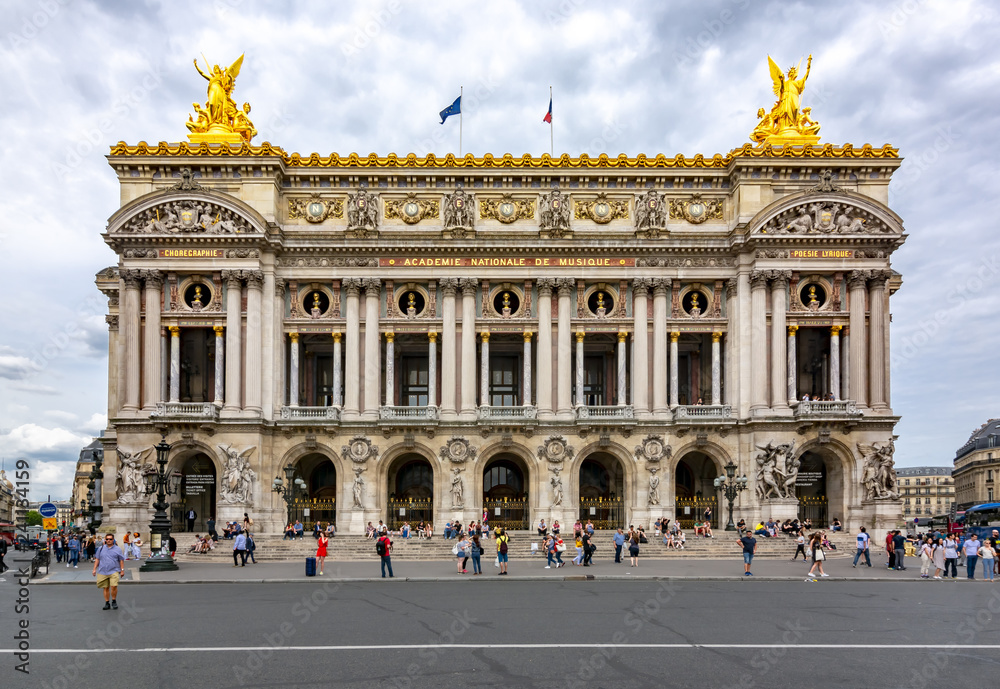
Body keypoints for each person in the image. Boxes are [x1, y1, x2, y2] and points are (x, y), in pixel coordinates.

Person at [92, 534, 126, 610]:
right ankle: (107, 602)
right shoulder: (101, 548)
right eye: (107, 539)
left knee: (114, 586)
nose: (108, 541)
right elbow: (97, 559)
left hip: (114, 570)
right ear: (105, 540)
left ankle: (114, 600)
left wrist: (122, 570)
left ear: (113, 540)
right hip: (103, 571)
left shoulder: (118, 549)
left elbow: (121, 560)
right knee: (105, 588)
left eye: (110, 539)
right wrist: (94, 569)